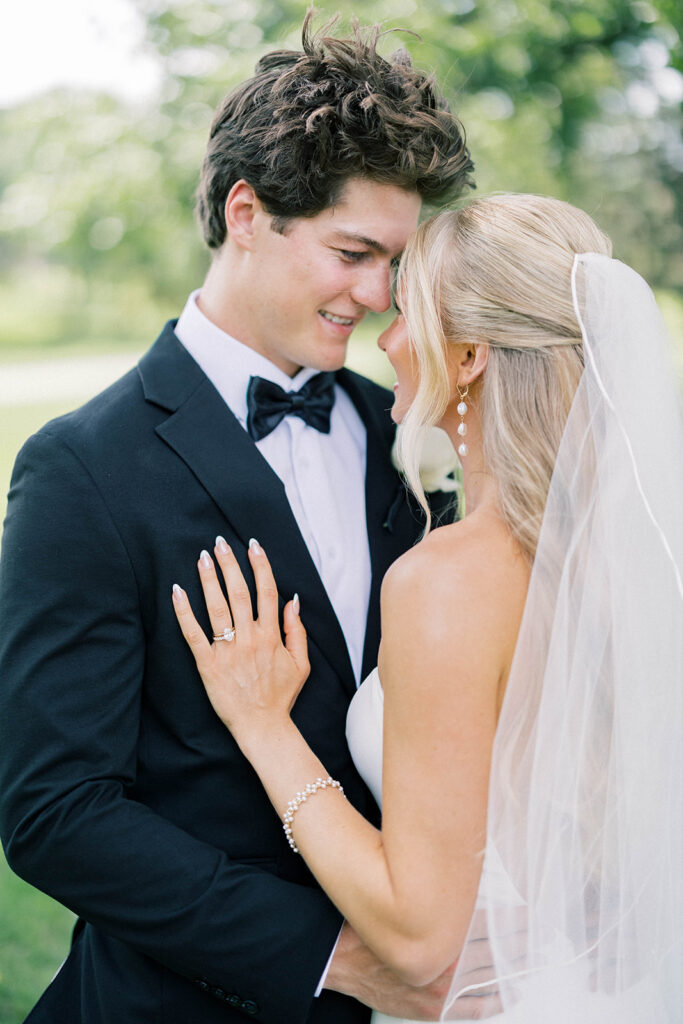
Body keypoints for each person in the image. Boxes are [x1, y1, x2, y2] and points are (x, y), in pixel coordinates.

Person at [0, 17, 477, 1024]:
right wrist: (331, 956)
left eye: (394, 262)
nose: (378, 296)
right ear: (247, 212)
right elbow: (56, 812)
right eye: (352, 252)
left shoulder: (406, 431)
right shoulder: (82, 469)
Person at [171, 193, 683, 1023]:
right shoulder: (630, 552)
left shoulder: (446, 580)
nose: (385, 337)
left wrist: (264, 726)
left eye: (408, 312)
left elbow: (415, 937)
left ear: (468, 356)